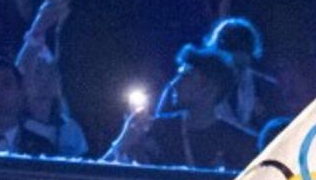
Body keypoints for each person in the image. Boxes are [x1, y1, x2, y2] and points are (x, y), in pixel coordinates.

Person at [10, 0, 187, 156]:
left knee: (120, 104)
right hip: (77, 38)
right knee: (78, 105)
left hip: (122, 39)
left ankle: (119, 159)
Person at [104, 43, 255, 170]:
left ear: (210, 88)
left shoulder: (240, 143)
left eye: (186, 76)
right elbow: (101, 172)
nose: (175, 84)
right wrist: (123, 141)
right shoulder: (154, 130)